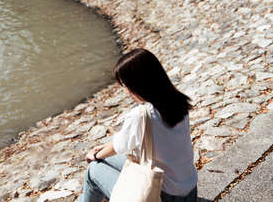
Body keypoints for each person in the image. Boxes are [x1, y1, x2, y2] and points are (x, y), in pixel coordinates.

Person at [79, 48, 198, 202]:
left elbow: (119, 147)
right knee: (107, 159)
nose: (126, 90)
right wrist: (101, 149)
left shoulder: (141, 115)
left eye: (125, 84)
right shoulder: (178, 101)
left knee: (93, 170)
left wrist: (94, 155)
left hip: (161, 197)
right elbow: (120, 143)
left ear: (136, 84)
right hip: (189, 191)